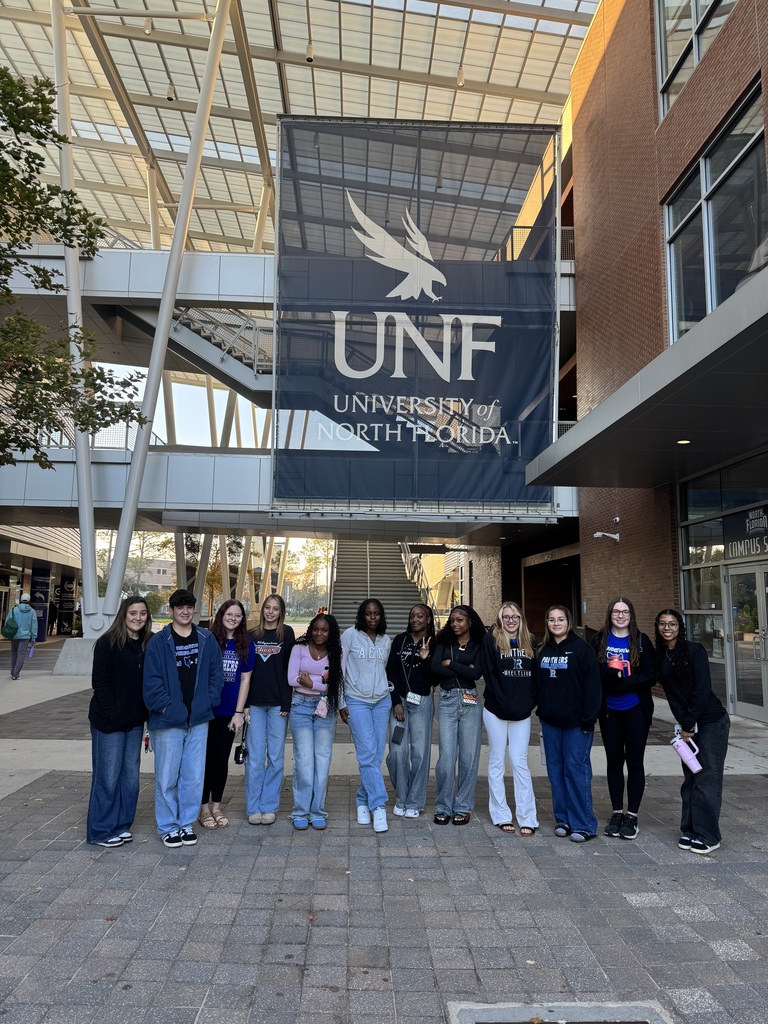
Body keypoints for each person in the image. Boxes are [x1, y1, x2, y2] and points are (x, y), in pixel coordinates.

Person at [143, 589, 223, 848]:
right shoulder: (159, 641)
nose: (185, 611)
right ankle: (168, 826)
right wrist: (168, 709)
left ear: (194, 609)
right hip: (169, 721)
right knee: (167, 777)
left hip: (198, 719)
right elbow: (152, 682)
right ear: (171, 610)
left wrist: (207, 702)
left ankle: (186, 823)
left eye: (189, 607)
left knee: (193, 776)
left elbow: (215, 675)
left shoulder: (206, 638)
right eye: (180, 607)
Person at [654, 609, 730, 854]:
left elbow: (702, 689)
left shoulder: (695, 650)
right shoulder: (661, 656)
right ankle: (689, 829)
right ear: (658, 627)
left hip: (710, 720)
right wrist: (684, 724)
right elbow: (672, 695)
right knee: (691, 777)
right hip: (688, 725)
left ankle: (709, 835)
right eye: (663, 624)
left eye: (672, 624)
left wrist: (690, 723)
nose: (667, 628)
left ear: (680, 626)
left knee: (707, 777)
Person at [86, 596, 152, 848]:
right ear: (124, 615)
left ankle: (121, 825)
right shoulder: (107, 643)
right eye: (133, 613)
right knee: (108, 777)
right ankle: (101, 830)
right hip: (109, 723)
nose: (138, 618)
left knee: (130, 778)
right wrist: (114, 714)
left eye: (143, 613)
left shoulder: (148, 644)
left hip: (135, 722)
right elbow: (100, 682)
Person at [591, 597, 656, 841]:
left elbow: (651, 674)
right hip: (610, 712)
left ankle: (632, 816)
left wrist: (626, 682)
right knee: (614, 761)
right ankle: (617, 813)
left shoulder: (641, 640)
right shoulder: (599, 640)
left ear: (631, 614)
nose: (620, 615)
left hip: (636, 710)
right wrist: (610, 676)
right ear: (609, 614)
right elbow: (594, 672)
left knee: (635, 762)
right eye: (616, 612)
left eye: (625, 611)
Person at [536, 605, 601, 843]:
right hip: (550, 722)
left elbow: (593, 688)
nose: (556, 623)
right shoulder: (543, 651)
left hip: (577, 724)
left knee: (576, 770)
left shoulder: (582, 650)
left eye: (560, 619)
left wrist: (588, 719)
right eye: (551, 619)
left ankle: (583, 824)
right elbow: (539, 685)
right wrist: (542, 710)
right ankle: (562, 819)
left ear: (569, 622)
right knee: (556, 771)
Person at [480, 602, 539, 836]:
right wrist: (503, 702)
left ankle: (527, 816)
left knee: (519, 761)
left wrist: (530, 702)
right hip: (496, 711)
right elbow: (490, 675)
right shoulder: (492, 639)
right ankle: (501, 814)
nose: (511, 620)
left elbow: (535, 677)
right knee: (497, 760)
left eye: (514, 616)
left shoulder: (530, 641)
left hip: (522, 712)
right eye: (506, 617)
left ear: (520, 618)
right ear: (500, 619)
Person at [199, 599, 256, 830]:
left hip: (229, 712)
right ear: (221, 615)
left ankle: (216, 806)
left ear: (242, 619)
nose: (233, 618)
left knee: (221, 761)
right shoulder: (208, 641)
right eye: (229, 614)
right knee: (205, 760)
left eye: (238, 615)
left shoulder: (246, 644)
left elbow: (245, 680)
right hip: (206, 712)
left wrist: (239, 712)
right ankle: (202, 809)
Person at [340, 599, 392, 833]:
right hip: (356, 700)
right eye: (368, 614)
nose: (372, 618)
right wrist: (341, 701)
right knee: (367, 753)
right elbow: (338, 669)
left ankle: (362, 800)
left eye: (376, 614)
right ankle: (378, 805)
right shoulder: (349, 636)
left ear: (381, 616)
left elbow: (383, 670)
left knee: (376, 753)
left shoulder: (386, 640)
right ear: (362, 615)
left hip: (382, 701)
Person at [287, 613, 343, 830]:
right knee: (303, 760)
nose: (319, 634)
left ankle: (317, 810)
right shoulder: (298, 649)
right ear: (311, 629)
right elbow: (291, 679)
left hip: (325, 708)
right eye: (316, 629)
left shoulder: (337, 653)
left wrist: (311, 682)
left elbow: (337, 684)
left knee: (322, 759)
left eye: (325, 630)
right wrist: (322, 681)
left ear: (331, 633)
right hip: (300, 707)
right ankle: (300, 811)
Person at [431, 604, 485, 826]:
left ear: (469, 622)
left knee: (468, 757)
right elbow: (435, 668)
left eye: (459, 620)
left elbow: (477, 673)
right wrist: (464, 667)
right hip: (446, 700)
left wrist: (451, 663)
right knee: (446, 757)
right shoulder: (444, 642)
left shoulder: (479, 644)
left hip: (470, 700)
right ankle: (443, 805)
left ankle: (462, 806)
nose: (454, 624)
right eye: (452, 620)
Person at [245, 594, 295, 825]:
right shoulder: (251, 635)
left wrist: (287, 702)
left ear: (281, 611)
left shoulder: (287, 634)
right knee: (255, 758)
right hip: (254, 704)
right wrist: (243, 705)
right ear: (262, 609)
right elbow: (244, 674)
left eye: (275, 608)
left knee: (275, 756)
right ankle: (253, 806)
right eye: (267, 607)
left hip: (277, 706)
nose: (271, 612)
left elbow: (289, 670)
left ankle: (269, 805)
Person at [386, 604, 436, 819]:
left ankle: (414, 801)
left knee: (419, 753)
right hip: (400, 704)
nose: (416, 619)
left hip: (422, 703)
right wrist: (395, 700)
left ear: (429, 619)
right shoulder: (400, 640)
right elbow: (390, 671)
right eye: (412, 615)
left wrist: (425, 660)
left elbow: (435, 677)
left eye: (420, 616)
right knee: (397, 752)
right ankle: (402, 797)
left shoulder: (435, 643)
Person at [5, 593, 38, 680]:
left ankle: (12, 671)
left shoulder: (14, 610)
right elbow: (34, 626)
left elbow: (7, 622)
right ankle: (15, 674)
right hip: (25, 636)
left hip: (15, 635)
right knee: (21, 654)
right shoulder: (32, 612)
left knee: (14, 653)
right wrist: (33, 638)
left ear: (20, 599)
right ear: (29, 600)